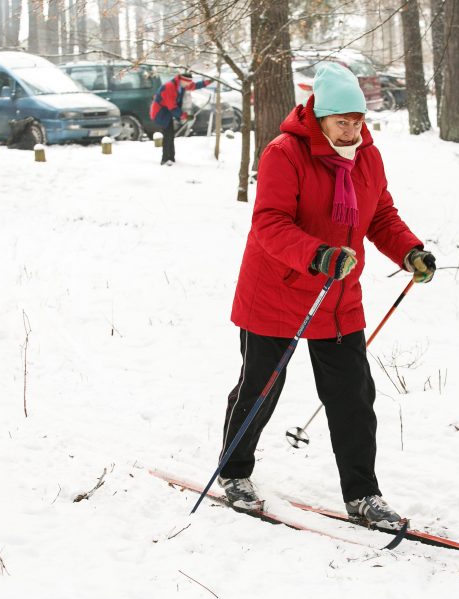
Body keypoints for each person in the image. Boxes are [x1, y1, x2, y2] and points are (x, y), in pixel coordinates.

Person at [217, 63, 437, 529]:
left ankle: (363, 494)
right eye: (343, 121)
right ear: (319, 116)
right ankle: (234, 473)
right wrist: (317, 254)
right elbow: (270, 223)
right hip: (277, 291)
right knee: (261, 387)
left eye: (358, 120)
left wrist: (410, 250)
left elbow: (381, 217)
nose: (352, 129)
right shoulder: (286, 154)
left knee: (353, 397)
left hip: (337, 297)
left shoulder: (367, 156)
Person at [149, 71, 211, 166]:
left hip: (167, 111)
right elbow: (172, 107)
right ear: (183, 80)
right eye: (188, 82)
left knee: (170, 135)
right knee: (168, 136)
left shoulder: (180, 85)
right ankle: (165, 159)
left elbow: (193, 86)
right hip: (160, 112)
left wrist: (207, 82)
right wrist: (185, 116)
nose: (189, 84)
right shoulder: (169, 87)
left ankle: (171, 158)